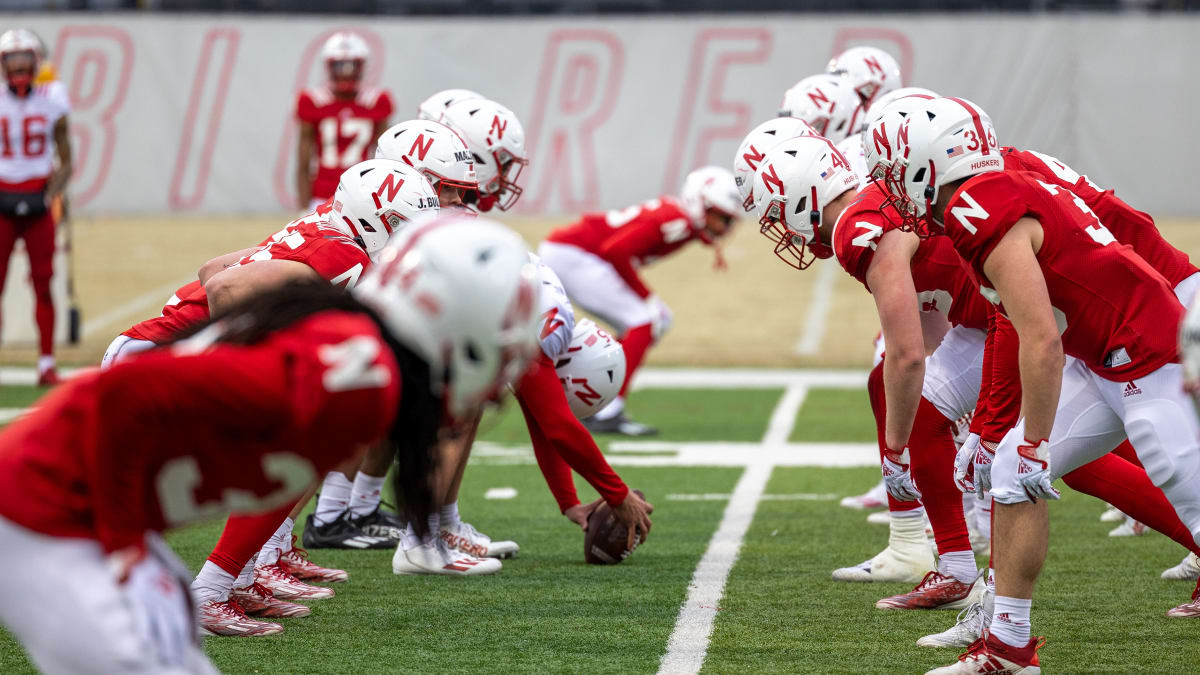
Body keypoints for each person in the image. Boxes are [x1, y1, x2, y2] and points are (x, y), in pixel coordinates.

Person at [0, 214, 542, 672]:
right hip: (47, 512)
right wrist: (121, 546)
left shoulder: (366, 365)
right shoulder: (354, 372)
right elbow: (125, 399)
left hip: (75, 513)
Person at [879, 97, 1200, 674]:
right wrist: (1007, 438)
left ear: (926, 165)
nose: (890, 188)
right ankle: (1009, 648)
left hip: (1147, 352)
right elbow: (1031, 327)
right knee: (1008, 473)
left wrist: (1035, 440)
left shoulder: (981, 208)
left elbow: (1041, 339)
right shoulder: (986, 192)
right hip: (1100, 353)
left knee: (1190, 497)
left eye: (894, 169)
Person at [539, 166, 741, 436]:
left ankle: (595, 391)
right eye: (721, 218)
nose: (723, 228)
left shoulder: (679, 217)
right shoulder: (678, 221)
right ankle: (606, 409)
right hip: (575, 254)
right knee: (644, 320)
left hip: (576, 254)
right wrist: (646, 297)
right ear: (700, 203)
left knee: (653, 321)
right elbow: (617, 250)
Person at [0, 28, 71, 385]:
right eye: (11, 60)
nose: (18, 67)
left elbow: (66, 158)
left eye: (23, 59)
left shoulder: (51, 96)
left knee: (43, 284)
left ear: (36, 60)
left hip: (37, 200)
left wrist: (52, 191)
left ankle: (46, 362)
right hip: (1, 200)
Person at [295, 32, 392, 211]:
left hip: (362, 195)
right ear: (329, 66)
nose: (346, 71)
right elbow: (303, 162)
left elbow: (385, 158)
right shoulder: (312, 100)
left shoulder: (377, 101)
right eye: (340, 65)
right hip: (321, 195)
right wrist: (303, 209)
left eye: (352, 65)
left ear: (362, 66)